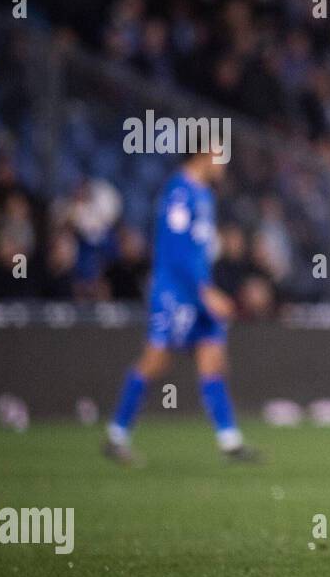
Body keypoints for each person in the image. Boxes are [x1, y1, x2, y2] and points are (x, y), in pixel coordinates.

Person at [102, 144, 261, 465]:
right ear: (201, 153)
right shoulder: (179, 193)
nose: (223, 162)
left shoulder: (204, 195)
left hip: (199, 291)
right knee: (157, 360)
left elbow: (198, 252)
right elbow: (175, 254)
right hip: (175, 293)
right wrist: (205, 293)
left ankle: (230, 442)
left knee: (212, 358)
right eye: (218, 155)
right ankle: (116, 435)